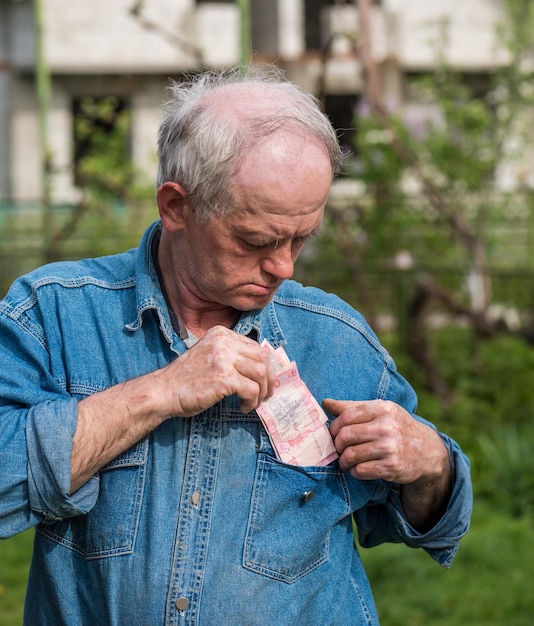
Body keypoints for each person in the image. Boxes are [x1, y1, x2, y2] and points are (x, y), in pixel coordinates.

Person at [0, 65, 472, 626]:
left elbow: (432, 523)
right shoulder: (53, 313)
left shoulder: (335, 338)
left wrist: (431, 466)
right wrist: (162, 391)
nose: (284, 266)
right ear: (176, 206)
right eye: (256, 240)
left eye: (302, 237)